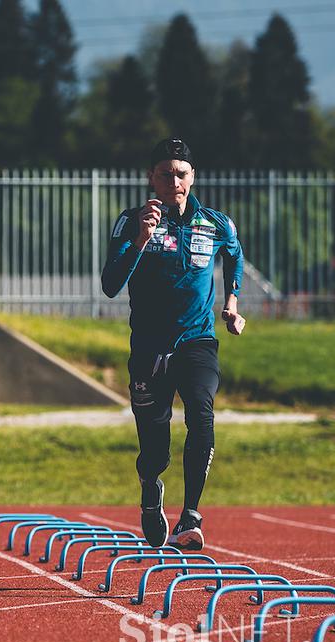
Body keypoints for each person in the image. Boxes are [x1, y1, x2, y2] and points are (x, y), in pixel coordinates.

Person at [101, 137, 246, 551]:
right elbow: (110, 285)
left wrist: (231, 303)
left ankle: (191, 517)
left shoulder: (217, 223)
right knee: (155, 446)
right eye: (165, 174)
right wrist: (140, 240)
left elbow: (233, 255)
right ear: (151, 178)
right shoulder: (131, 221)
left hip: (198, 340)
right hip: (149, 346)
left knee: (202, 418)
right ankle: (150, 489)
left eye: (181, 174)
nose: (174, 182)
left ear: (193, 176)